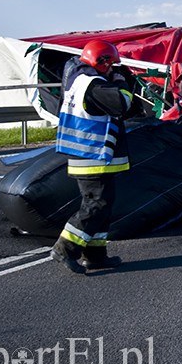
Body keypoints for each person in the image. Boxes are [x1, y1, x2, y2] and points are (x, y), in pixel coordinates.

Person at [50, 40, 133, 273]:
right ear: (102, 61)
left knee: (103, 206)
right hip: (92, 154)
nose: (112, 69)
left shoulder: (78, 80)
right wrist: (121, 82)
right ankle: (64, 249)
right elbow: (122, 103)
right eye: (111, 64)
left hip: (89, 153)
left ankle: (95, 255)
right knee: (96, 205)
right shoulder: (95, 85)